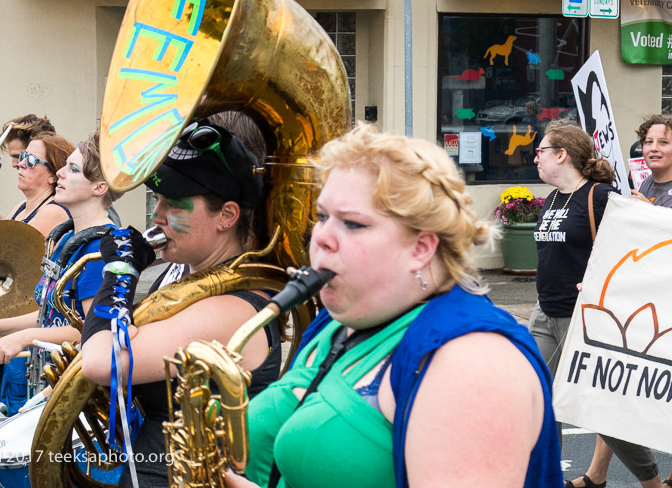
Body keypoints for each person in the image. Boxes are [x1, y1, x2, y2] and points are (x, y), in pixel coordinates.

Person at [227, 124, 563, 487]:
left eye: (352, 224)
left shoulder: (473, 360)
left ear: (421, 248)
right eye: (322, 217)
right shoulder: (341, 320)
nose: (321, 237)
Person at [80, 117, 280, 488]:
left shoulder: (234, 308)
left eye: (173, 205)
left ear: (226, 216)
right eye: (157, 201)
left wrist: (119, 270)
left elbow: (99, 361)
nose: (156, 217)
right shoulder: (188, 280)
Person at [530, 123, 662, 488]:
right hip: (545, 314)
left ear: (561, 155)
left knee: (603, 411)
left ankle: (650, 481)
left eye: (541, 151)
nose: (535, 157)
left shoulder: (600, 196)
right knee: (540, 400)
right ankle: (548, 479)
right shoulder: (554, 197)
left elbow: (639, 251)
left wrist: (643, 214)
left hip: (585, 318)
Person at [0, 132, 122, 414]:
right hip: (42, 381)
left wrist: (24, 337)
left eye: (72, 169)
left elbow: (94, 334)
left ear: (99, 188)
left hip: (71, 395)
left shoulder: (98, 252)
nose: (59, 173)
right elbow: (50, 314)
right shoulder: (68, 238)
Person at [567, 114, 672, 488]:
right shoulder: (646, 183)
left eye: (662, 142)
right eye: (648, 142)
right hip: (646, 299)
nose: (653, 149)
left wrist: (647, 215)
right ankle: (597, 475)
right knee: (620, 389)